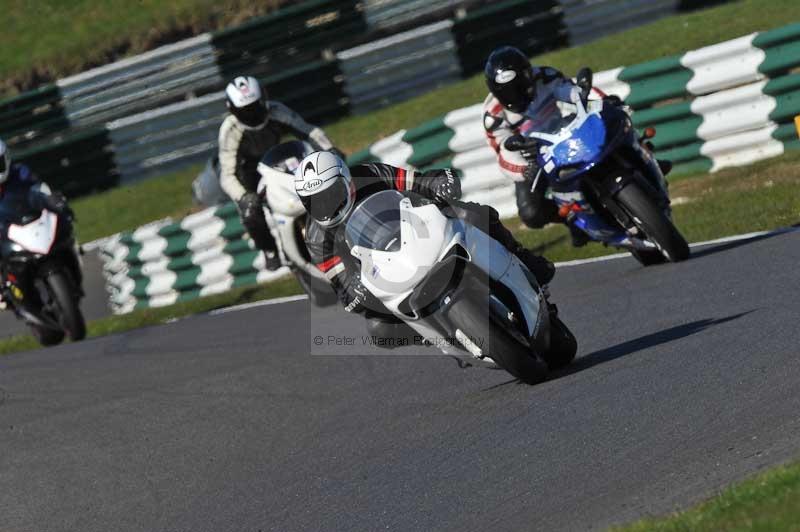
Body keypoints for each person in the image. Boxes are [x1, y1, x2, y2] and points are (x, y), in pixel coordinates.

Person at [295, 151, 555, 346]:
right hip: (383, 272)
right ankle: (436, 337)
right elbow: (342, 286)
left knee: (475, 213)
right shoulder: (316, 238)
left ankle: (522, 258)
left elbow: (415, 182)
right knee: (380, 332)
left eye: (331, 194)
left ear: (347, 181)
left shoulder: (369, 174)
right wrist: (357, 293)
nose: (326, 206)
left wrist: (440, 183)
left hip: (419, 227)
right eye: (316, 202)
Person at [482, 46, 672, 247]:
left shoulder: (544, 76)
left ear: (528, 75)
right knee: (531, 213)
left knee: (613, 122)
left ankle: (643, 157)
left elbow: (573, 91)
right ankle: (573, 220)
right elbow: (503, 154)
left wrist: (602, 100)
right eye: (508, 92)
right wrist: (525, 169)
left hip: (564, 131)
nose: (516, 95)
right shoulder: (493, 116)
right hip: (531, 156)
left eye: (519, 86)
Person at [218, 75, 339, 271]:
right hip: (249, 173)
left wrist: (330, 149)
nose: (252, 114)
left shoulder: (277, 110)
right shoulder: (230, 130)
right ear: (232, 109)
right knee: (251, 212)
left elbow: (308, 132)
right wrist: (243, 196)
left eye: (255, 107)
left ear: (264, 100)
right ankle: (269, 249)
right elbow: (227, 175)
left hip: (278, 159)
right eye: (245, 111)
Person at [0, 140, 76, 307]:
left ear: (6, 159)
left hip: (26, 221)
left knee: (65, 231)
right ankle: (3, 289)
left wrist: (56, 202)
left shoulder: (20, 173)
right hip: (3, 229)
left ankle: (72, 262)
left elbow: (40, 189)